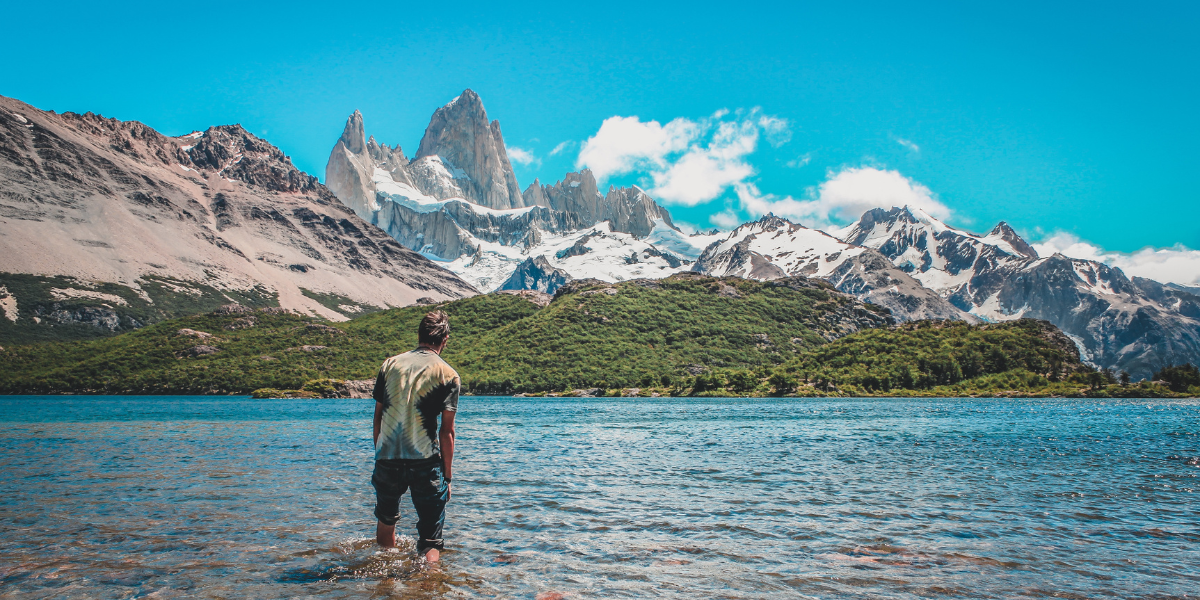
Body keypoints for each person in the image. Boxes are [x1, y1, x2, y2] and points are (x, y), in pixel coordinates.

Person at [370, 310, 459, 562]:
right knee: (430, 539)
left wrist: (380, 453)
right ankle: (430, 585)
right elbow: (447, 431)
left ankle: (386, 580)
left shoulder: (389, 365)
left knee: (386, 522)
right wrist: (448, 477)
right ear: (445, 340)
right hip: (426, 462)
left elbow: (378, 417)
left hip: (387, 457)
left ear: (419, 335)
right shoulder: (448, 374)